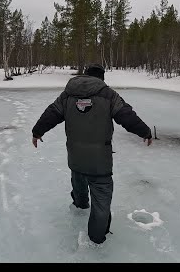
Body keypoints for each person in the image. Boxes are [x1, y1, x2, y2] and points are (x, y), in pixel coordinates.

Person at [31, 64, 153, 245]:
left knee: (78, 177)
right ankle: (97, 238)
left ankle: (80, 205)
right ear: (101, 77)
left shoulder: (67, 95)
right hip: (99, 161)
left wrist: (37, 132)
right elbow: (127, 116)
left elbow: (51, 114)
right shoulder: (108, 95)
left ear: (86, 75)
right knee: (102, 199)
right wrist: (145, 132)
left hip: (75, 157)